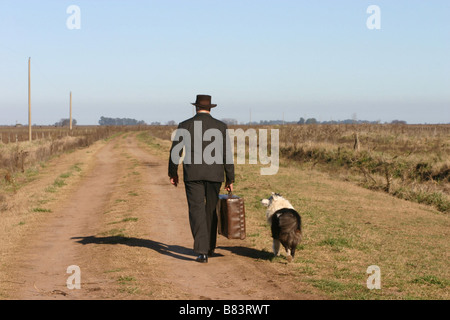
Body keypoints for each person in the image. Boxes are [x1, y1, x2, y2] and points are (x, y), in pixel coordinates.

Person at [168, 94, 234, 263]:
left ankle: (202, 251)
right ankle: (210, 247)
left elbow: (176, 152)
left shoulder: (185, 125)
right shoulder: (221, 126)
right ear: (210, 107)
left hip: (193, 175)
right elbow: (227, 154)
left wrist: (173, 173)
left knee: (196, 211)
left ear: (196, 107)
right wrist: (230, 178)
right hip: (215, 175)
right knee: (211, 211)